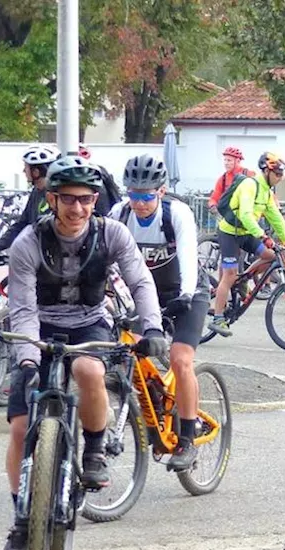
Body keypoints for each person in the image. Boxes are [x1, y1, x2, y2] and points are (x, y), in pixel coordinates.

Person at [0, 156, 166, 550]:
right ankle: (23, 518)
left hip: (89, 323)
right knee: (21, 426)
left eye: (87, 200)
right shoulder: (28, 243)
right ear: (52, 199)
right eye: (69, 200)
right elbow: (21, 307)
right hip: (36, 328)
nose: (78, 209)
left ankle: (93, 450)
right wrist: (26, 359)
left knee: (89, 368)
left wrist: (153, 329)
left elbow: (140, 280)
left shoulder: (113, 234)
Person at [113, 155, 206, 471]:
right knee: (129, 350)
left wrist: (186, 294)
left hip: (186, 293)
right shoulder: (120, 214)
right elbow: (107, 260)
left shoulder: (176, 214)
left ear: (161, 192)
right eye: (133, 194)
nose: (139, 203)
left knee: (180, 360)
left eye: (146, 196)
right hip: (147, 294)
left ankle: (188, 437)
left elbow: (190, 257)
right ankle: (153, 402)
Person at [209, 151, 285, 337]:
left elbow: (275, 217)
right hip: (230, 232)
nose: (280, 178)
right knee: (229, 274)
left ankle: (243, 279)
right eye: (277, 173)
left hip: (246, 233)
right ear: (266, 171)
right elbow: (246, 215)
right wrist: (263, 236)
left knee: (271, 257)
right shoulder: (250, 184)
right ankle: (218, 318)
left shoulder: (266, 192)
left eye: (282, 174)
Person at [0, 145, 60, 256]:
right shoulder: (36, 192)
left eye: (26, 167)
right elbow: (22, 223)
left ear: (36, 172)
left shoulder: (56, 195)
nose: (23, 171)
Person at [208, 146, 248, 215]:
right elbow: (214, 198)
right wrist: (213, 206)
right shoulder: (222, 179)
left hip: (247, 215)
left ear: (238, 161)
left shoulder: (249, 175)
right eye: (225, 160)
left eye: (229, 160)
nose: (226, 163)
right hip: (229, 217)